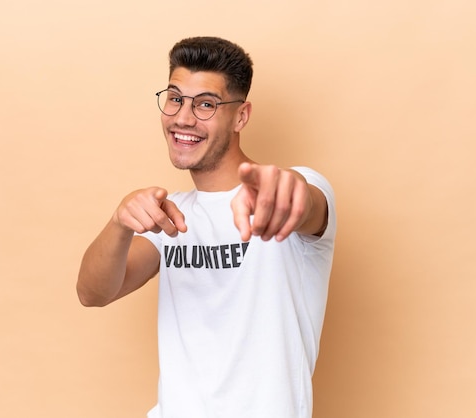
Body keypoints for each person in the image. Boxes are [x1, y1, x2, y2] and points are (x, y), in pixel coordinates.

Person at [77, 36, 336, 418]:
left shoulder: (294, 187)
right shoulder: (171, 215)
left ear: (241, 116)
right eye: (176, 98)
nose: (183, 117)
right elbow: (92, 293)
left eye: (206, 105)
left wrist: (287, 193)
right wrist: (120, 223)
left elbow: (305, 204)